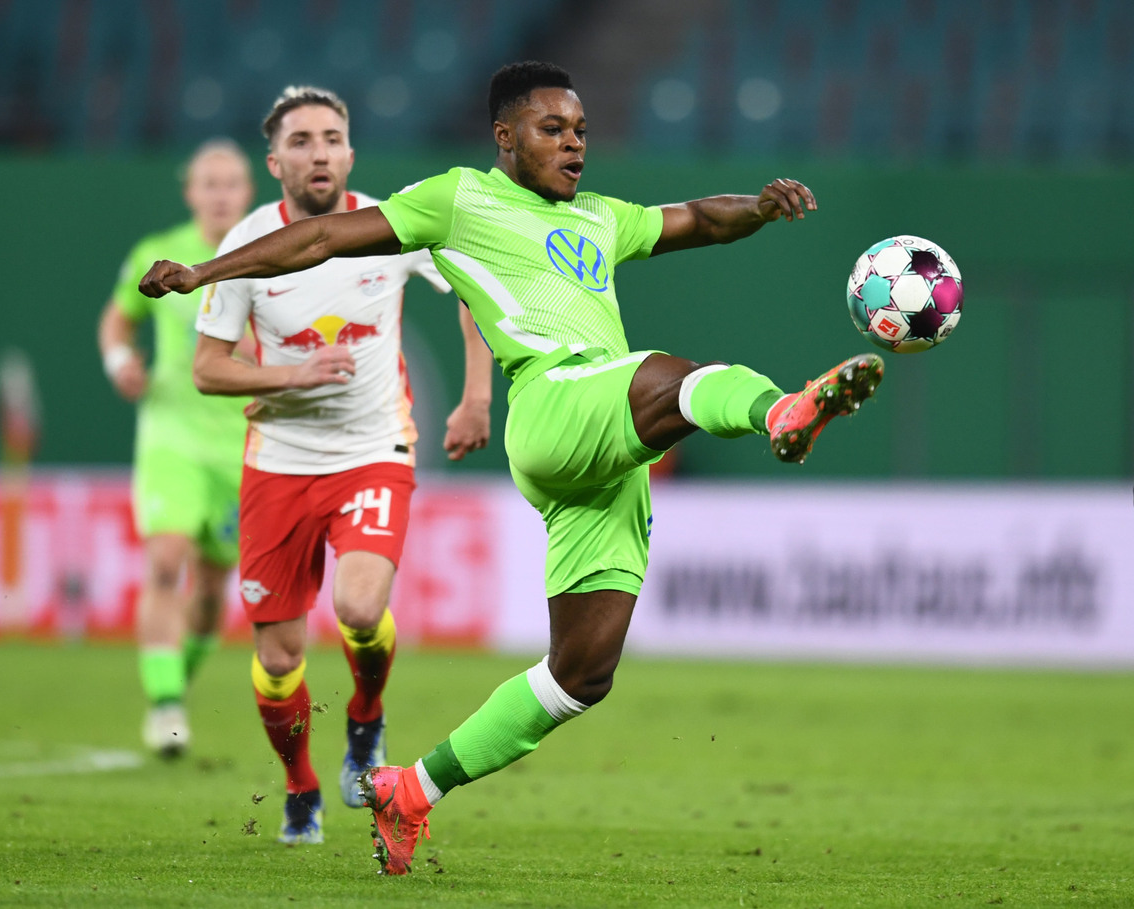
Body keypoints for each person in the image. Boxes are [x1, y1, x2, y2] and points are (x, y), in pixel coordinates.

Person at [140, 62, 884, 873]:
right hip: (554, 404)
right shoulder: (459, 199)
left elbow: (700, 218)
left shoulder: (600, 216)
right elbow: (321, 238)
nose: (574, 145)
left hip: (606, 464)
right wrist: (204, 273)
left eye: (581, 131)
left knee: (579, 676)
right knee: (674, 376)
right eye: (552, 129)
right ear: (505, 137)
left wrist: (762, 208)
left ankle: (410, 790)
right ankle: (781, 411)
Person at [188, 86, 493, 845]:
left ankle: (366, 718)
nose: (318, 152)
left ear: (351, 154)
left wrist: (476, 397)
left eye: (331, 138)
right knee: (279, 657)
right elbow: (208, 368)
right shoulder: (247, 248)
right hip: (279, 464)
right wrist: (291, 376)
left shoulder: (392, 226)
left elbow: (476, 293)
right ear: (275, 163)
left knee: (359, 608)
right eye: (301, 141)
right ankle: (301, 786)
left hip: (373, 450)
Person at [99, 138, 255, 758]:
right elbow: (118, 318)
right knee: (166, 560)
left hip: (242, 444)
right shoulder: (156, 255)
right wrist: (119, 361)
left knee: (213, 592)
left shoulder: (267, 254)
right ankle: (165, 706)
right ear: (190, 192)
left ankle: (174, 687)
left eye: (230, 183)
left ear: (248, 191)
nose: (220, 195)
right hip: (173, 434)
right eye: (208, 184)